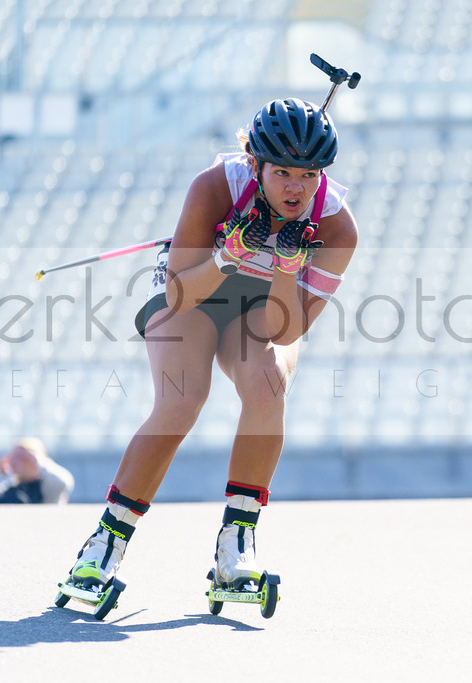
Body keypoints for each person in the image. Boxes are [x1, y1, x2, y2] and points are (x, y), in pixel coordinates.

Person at [63, 98, 357, 597]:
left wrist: (286, 268)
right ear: (255, 163)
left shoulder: (336, 228)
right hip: (195, 291)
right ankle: (103, 545)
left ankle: (236, 546)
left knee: (268, 387)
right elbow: (178, 294)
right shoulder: (217, 187)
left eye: (308, 175)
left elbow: (282, 333)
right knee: (181, 401)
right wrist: (227, 257)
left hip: (262, 308)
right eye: (282, 171)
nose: (295, 188)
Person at [0, 437, 75, 504]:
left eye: (23, 458)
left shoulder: (47, 487)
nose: (16, 462)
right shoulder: (7, 485)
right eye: (13, 457)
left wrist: (40, 463)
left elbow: (64, 483)